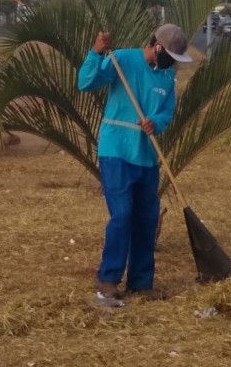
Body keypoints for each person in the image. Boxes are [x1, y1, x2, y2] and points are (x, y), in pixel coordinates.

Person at [77, 23, 192, 303]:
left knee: (146, 218)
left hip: (147, 157)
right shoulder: (123, 59)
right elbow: (85, 82)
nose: (172, 64)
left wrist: (157, 123)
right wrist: (95, 52)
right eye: (171, 57)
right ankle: (108, 279)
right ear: (158, 46)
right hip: (116, 150)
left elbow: (166, 113)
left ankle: (141, 282)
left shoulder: (166, 79)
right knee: (122, 215)